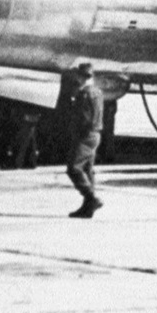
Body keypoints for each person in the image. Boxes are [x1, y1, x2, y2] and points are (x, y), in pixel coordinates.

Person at [65, 61, 105, 219]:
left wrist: (76, 132)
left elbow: (84, 118)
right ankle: (88, 207)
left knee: (74, 168)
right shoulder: (98, 92)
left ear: (82, 77)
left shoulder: (84, 93)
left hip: (85, 135)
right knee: (87, 169)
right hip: (96, 134)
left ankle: (91, 198)